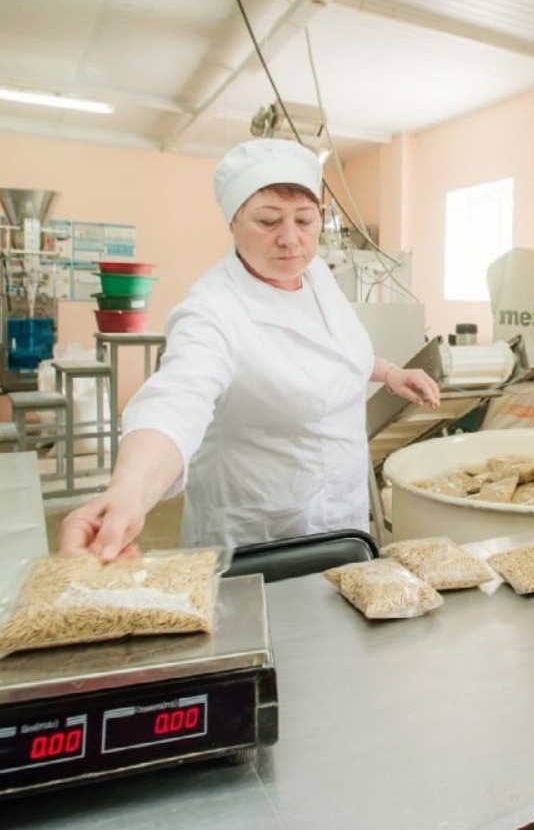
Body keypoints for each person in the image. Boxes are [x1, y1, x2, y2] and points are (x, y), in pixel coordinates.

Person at [60, 138, 440, 561]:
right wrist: (129, 492)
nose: (290, 239)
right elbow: (176, 399)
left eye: (305, 219)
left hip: (341, 517)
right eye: (268, 221)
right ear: (233, 222)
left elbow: (334, 351)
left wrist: (389, 373)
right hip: (260, 534)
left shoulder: (315, 274)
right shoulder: (212, 310)